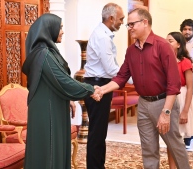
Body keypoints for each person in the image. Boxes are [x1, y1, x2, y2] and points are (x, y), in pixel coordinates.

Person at [100, 8, 191, 169]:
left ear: (145, 22)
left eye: (132, 24)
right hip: (143, 105)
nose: (129, 28)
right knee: (148, 149)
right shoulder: (131, 51)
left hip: (163, 103)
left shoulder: (162, 46)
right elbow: (121, 77)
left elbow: (174, 84)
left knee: (175, 146)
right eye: (128, 25)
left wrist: (166, 112)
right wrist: (102, 90)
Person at [22, 13, 100, 169]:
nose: (63, 31)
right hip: (47, 111)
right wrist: (90, 89)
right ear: (50, 28)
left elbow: (54, 82)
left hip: (52, 106)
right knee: (49, 152)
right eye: (61, 27)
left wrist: (70, 99)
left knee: (52, 150)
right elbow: (63, 81)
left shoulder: (47, 52)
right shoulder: (44, 54)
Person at [83, 3, 125, 169]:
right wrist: (131, 77)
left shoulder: (104, 34)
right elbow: (111, 68)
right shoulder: (102, 36)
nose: (122, 22)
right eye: (121, 19)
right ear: (111, 18)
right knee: (97, 133)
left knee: (100, 133)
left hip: (101, 83)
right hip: (97, 85)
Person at [166, 32, 193, 152]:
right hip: (168, 96)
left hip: (182, 96)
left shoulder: (185, 62)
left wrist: (185, 111)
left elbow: (190, 87)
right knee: (171, 132)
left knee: (181, 130)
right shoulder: (165, 60)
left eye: (170, 41)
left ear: (179, 44)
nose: (167, 43)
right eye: (166, 41)